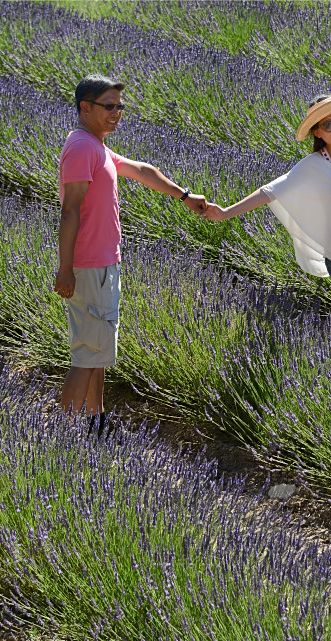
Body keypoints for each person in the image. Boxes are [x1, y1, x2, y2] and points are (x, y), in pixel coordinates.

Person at [55, 74, 208, 432]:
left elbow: (141, 170)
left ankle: (96, 421)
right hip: (90, 266)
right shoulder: (81, 148)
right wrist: (66, 269)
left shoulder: (96, 146)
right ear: (85, 108)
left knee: (99, 351)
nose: (116, 113)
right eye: (108, 106)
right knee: (87, 353)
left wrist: (185, 197)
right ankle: (62, 437)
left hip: (104, 264)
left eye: (120, 106)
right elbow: (69, 211)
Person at [205, 94, 331, 341]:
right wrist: (225, 213)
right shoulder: (314, 165)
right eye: (327, 125)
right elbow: (271, 190)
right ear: (318, 133)